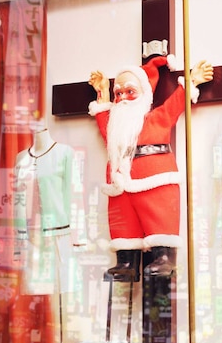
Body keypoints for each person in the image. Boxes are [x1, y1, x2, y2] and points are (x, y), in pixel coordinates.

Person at [88, 52, 213, 279]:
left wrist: (192, 81)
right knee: (124, 222)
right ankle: (127, 262)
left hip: (155, 181)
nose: (124, 97)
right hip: (121, 183)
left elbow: (175, 104)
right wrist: (102, 93)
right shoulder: (116, 129)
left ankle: (164, 258)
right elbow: (104, 120)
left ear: (144, 93)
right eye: (119, 93)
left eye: (130, 92)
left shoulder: (156, 118)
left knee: (159, 216)